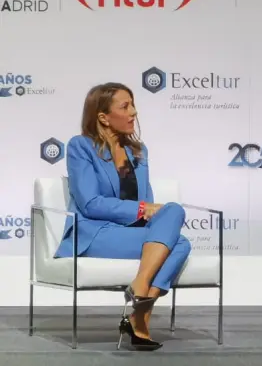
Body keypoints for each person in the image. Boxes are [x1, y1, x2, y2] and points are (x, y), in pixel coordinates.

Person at [54, 82, 192, 351]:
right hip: (95, 233)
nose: (134, 112)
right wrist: (141, 210)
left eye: (133, 105)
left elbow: (146, 197)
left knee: (174, 210)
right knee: (180, 243)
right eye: (125, 106)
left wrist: (150, 213)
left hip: (129, 231)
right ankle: (140, 314)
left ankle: (139, 293)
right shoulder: (81, 146)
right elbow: (90, 203)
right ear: (103, 117)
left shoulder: (139, 151)